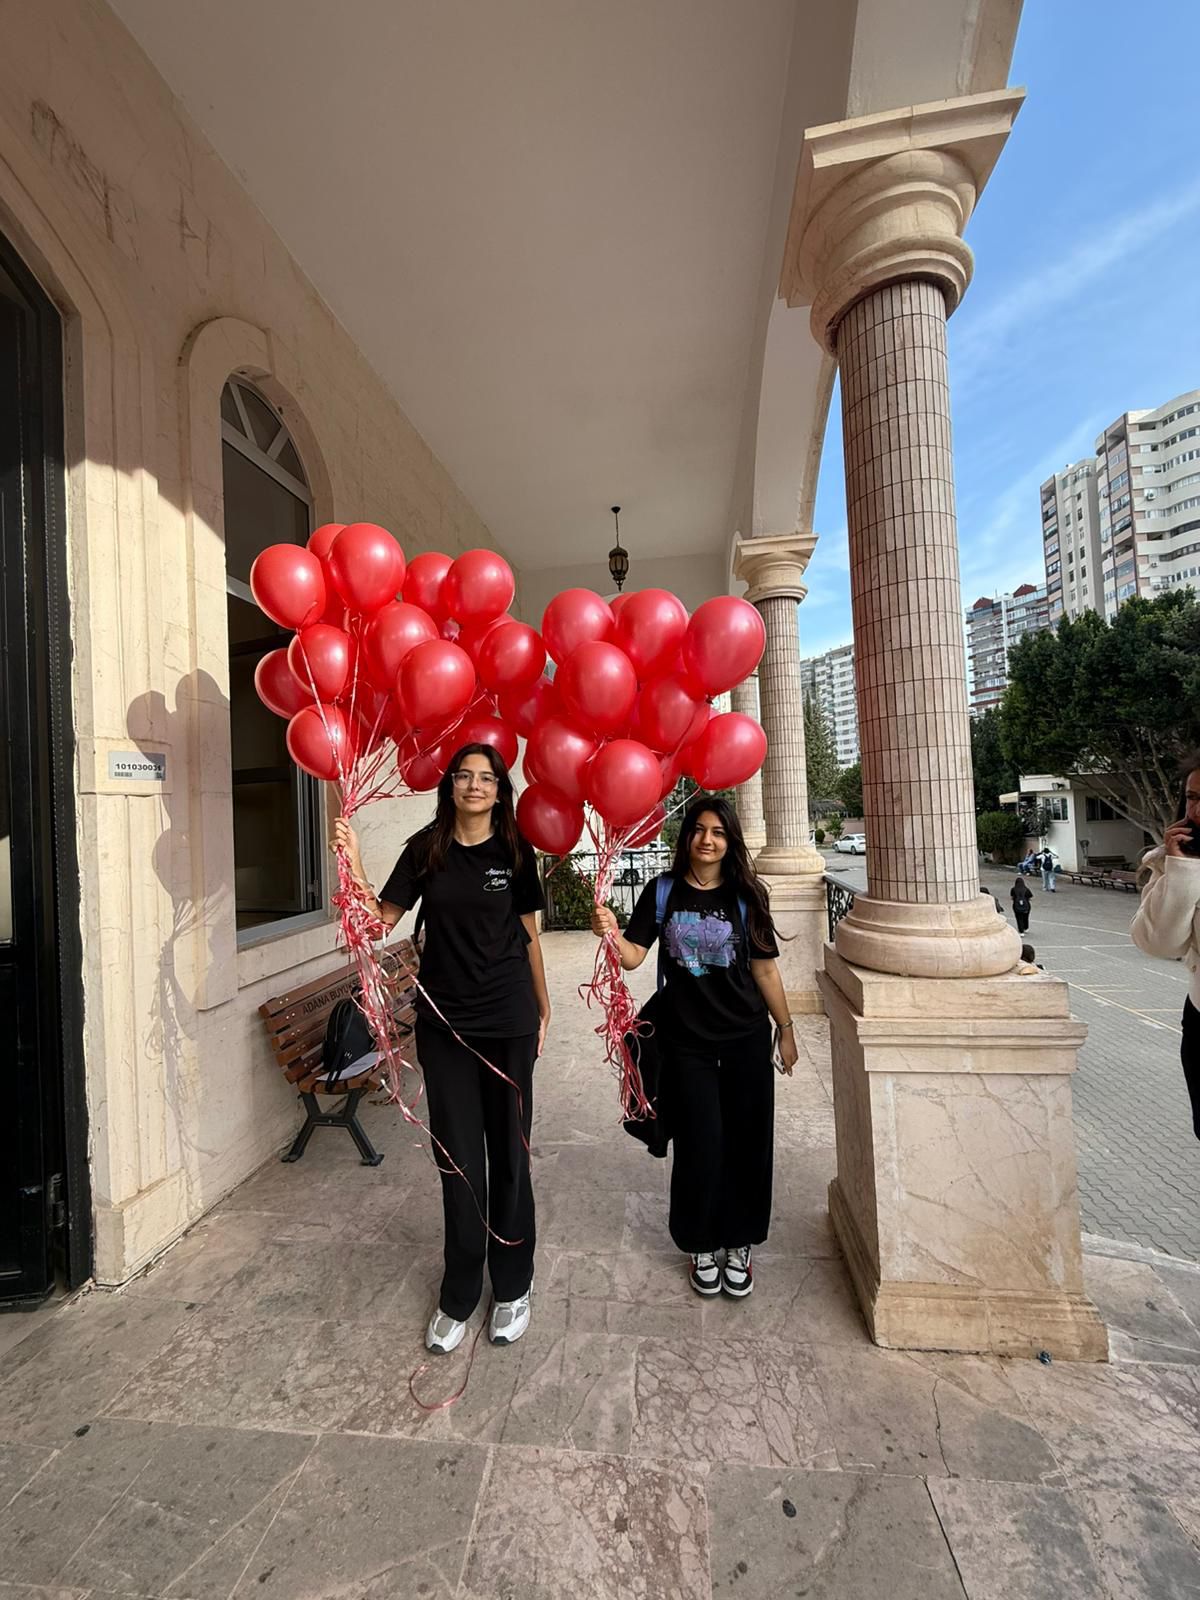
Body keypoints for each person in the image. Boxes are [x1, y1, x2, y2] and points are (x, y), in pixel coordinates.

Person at [334, 743, 551, 1351]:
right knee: (457, 1160)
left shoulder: (515, 849)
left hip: (508, 1019)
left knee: (509, 1154)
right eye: (465, 776)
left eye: (487, 778)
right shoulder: (425, 849)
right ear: (450, 786)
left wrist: (544, 1004)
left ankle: (512, 1285)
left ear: (499, 790)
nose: (475, 786)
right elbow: (381, 920)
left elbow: (529, 933)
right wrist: (352, 862)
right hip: (445, 1026)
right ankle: (459, 1292)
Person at [590, 795, 797, 1300]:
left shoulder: (747, 896)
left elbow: (765, 968)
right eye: (699, 830)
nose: (708, 839)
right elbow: (635, 958)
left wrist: (785, 1027)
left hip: (745, 1037)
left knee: (749, 1143)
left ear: (730, 840)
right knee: (700, 1143)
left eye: (719, 832)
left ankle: (740, 1240)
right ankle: (701, 1242)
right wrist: (611, 933)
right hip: (686, 1043)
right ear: (686, 837)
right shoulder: (662, 893)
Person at [1131, 752, 1200, 1140]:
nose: (1197, 808)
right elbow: (1159, 943)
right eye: (1192, 797)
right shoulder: (1175, 862)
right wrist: (1183, 870)